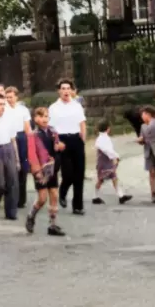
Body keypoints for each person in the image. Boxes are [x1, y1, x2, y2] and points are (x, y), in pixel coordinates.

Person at [25, 107, 66, 236]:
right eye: (41, 116)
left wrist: (60, 146)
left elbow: (57, 145)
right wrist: (36, 170)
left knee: (54, 194)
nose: (44, 119)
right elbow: (31, 153)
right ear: (35, 119)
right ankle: (31, 216)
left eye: (47, 116)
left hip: (52, 167)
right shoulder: (33, 135)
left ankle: (52, 225)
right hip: (40, 169)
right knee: (42, 198)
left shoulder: (53, 132)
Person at [48, 79, 87, 215]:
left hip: (76, 138)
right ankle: (63, 191)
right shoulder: (53, 107)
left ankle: (78, 205)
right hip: (62, 140)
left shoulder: (77, 106)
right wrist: (56, 141)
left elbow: (82, 122)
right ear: (59, 91)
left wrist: (83, 138)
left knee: (79, 173)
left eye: (68, 88)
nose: (66, 91)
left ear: (71, 90)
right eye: (63, 88)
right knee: (68, 173)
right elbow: (51, 127)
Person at [93, 120, 132, 205]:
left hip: (106, 162)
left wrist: (114, 156)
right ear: (108, 129)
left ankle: (121, 196)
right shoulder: (102, 139)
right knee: (101, 179)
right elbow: (107, 150)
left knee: (114, 178)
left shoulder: (102, 138)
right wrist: (116, 156)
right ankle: (95, 196)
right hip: (104, 162)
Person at [4, 86, 32, 208]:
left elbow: (27, 127)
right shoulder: (3, 109)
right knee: (11, 168)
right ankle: (11, 197)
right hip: (8, 137)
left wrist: (30, 141)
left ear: (16, 96)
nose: (9, 99)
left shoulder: (23, 110)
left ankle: (22, 199)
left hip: (21, 137)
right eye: (7, 97)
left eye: (11, 97)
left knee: (23, 168)